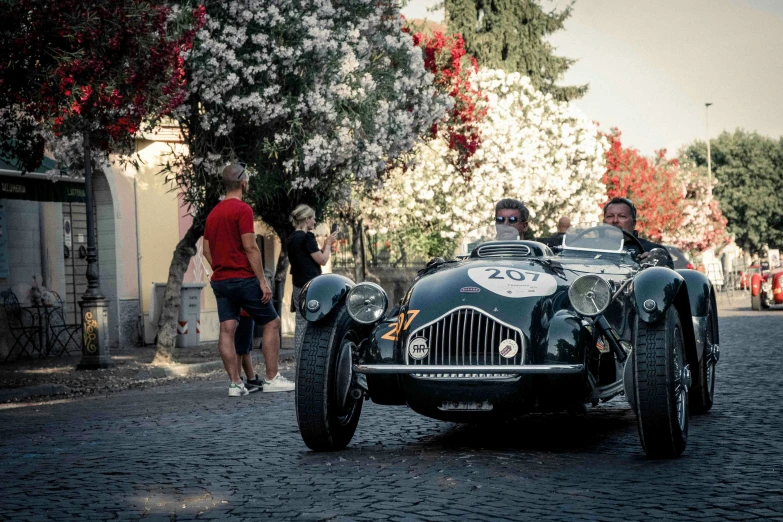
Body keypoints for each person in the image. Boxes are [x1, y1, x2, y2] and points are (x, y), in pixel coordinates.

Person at [203, 163, 294, 397]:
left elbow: (205, 250)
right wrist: (262, 281)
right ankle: (272, 378)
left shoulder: (213, 213)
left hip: (221, 281)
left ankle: (235, 384)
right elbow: (251, 247)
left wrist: (221, 268)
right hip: (243, 279)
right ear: (243, 183)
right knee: (272, 322)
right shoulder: (242, 209)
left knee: (227, 329)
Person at [287, 204, 337, 354]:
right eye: (313, 219)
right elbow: (322, 260)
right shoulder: (307, 237)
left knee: (300, 324)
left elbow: (307, 258)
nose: (315, 222)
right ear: (307, 219)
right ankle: (312, 356)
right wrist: (328, 244)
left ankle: (299, 360)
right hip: (311, 286)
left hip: (297, 284)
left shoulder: (291, 238)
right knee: (316, 321)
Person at [602, 197, 674, 269]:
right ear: (604, 222)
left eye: (622, 216)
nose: (615, 220)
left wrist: (654, 265)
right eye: (610, 216)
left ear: (633, 224)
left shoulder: (653, 250)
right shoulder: (591, 246)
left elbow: (669, 276)